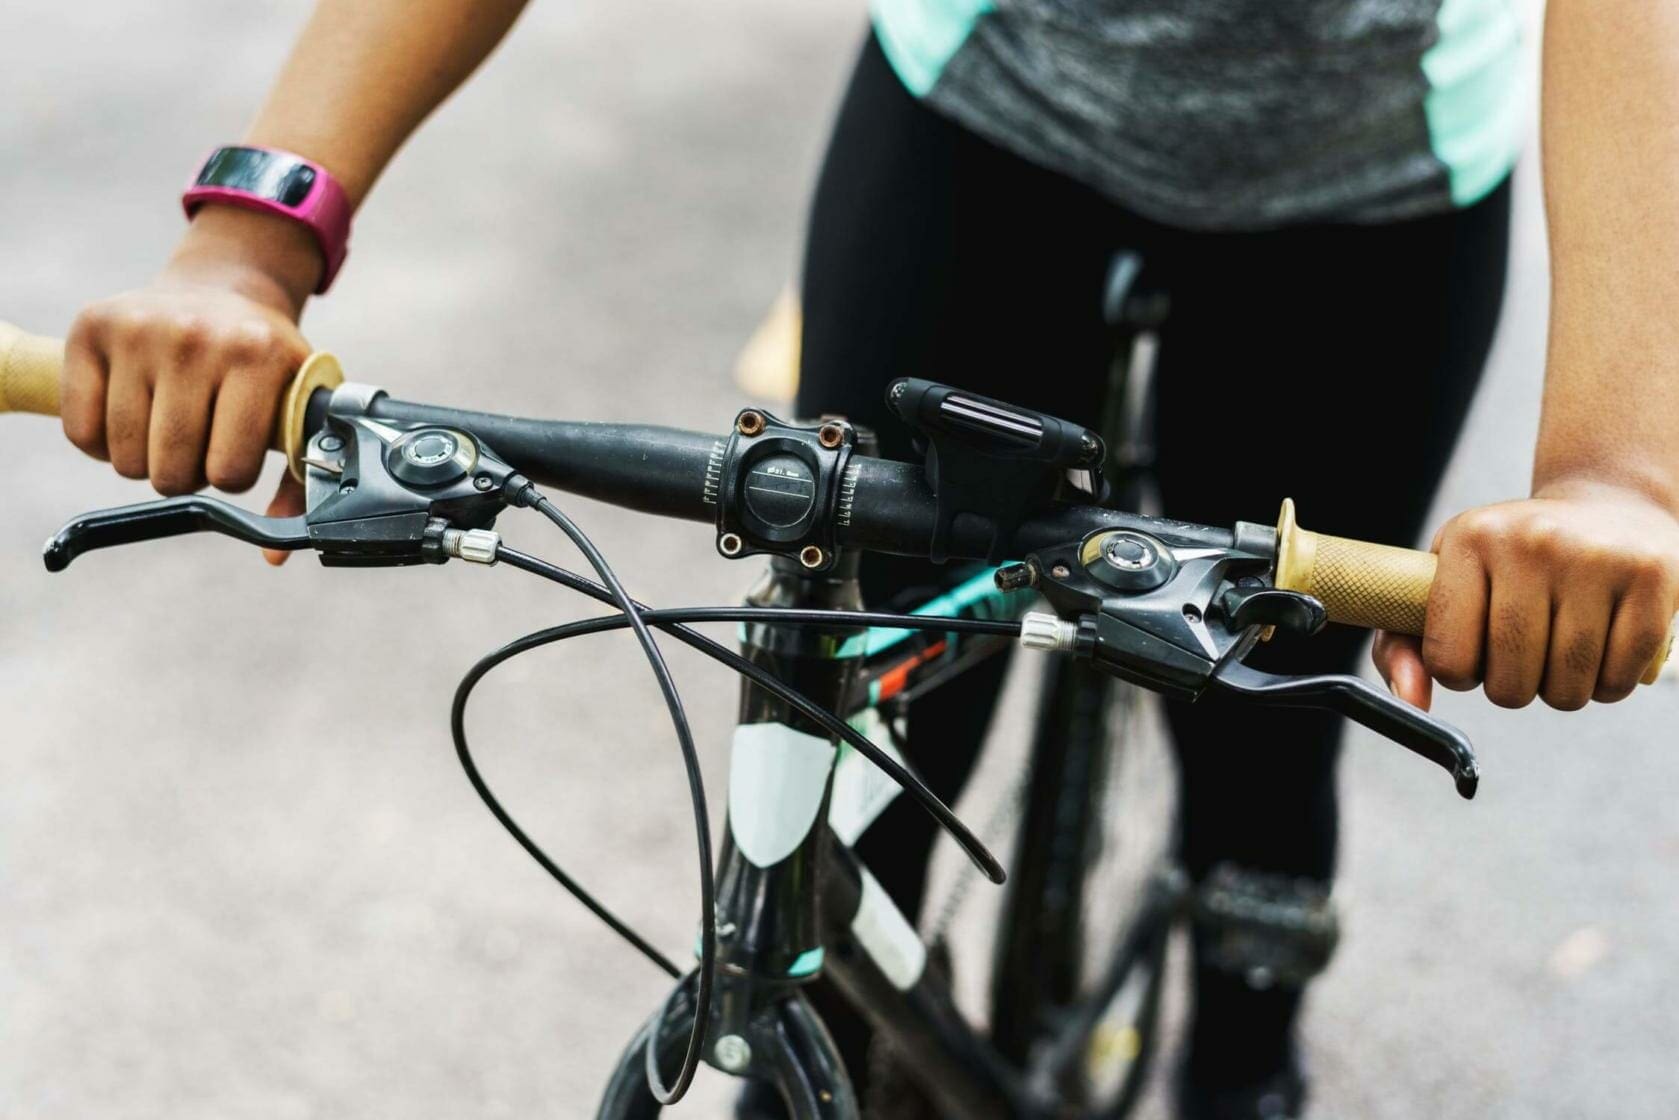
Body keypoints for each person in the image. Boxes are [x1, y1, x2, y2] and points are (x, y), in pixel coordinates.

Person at [56, 2, 1679, 1117]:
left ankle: (1249, 1025)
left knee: (1269, 714)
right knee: (859, 738)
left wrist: (1613, 477)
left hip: (1369, 194)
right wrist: (250, 243)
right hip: (982, 114)